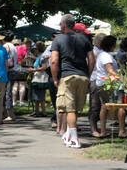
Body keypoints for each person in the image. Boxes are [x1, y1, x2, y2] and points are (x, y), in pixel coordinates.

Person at [49, 14, 95, 148]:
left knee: (69, 109)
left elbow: (54, 61)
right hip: (83, 76)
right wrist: (88, 74)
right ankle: (69, 134)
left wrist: (55, 78)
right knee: (75, 109)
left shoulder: (58, 39)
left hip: (67, 76)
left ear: (63, 25)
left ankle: (74, 139)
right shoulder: (84, 39)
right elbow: (91, 59)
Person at [89, 34, 119, 138]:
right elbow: (110, 70)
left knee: (103, 107)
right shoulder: (105, 56)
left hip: (102, 82)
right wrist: (122, 78)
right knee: (107, 107)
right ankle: (107, 131)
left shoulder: (102, 54)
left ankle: (103, 130)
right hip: (106, 83)